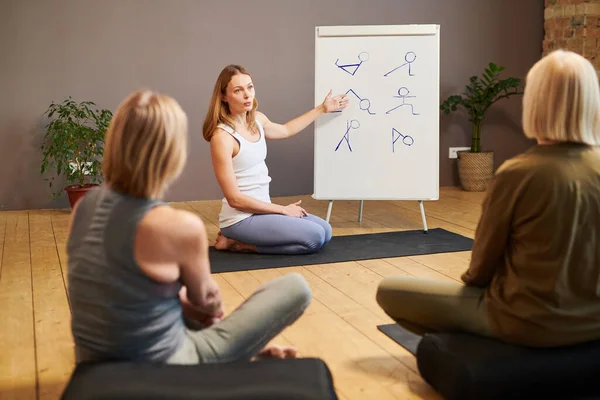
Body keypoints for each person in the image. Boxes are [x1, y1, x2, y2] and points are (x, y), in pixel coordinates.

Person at [66, 90, 311, 365]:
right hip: (165, 363)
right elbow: (209, 307)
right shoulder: (178, 226)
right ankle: (231, 356)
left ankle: (237, 352)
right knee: (296, 288)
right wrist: (227, 329)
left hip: (93, 359)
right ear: (172, 153)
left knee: (191, 311)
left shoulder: (83, 208)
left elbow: (123, 292)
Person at [376, 49, 600, 348]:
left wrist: (480, 288)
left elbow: (481, 267)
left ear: (535, 102)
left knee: (390, 290)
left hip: (524, 322)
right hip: (593, 322)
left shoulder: (519, 173)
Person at [202, 64, 348, 254]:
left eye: (250, 87)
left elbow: (287, 130)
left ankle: (239, 240)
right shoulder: (222, 138)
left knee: (326, 231)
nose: (247, 95)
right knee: (314, 238)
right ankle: (237, 244)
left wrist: (323, 108)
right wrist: (281, 209)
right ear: (223, 96)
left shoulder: (257, 120)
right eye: (238, 90)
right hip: (241, 219)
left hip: (264, 211)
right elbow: (235, 199)